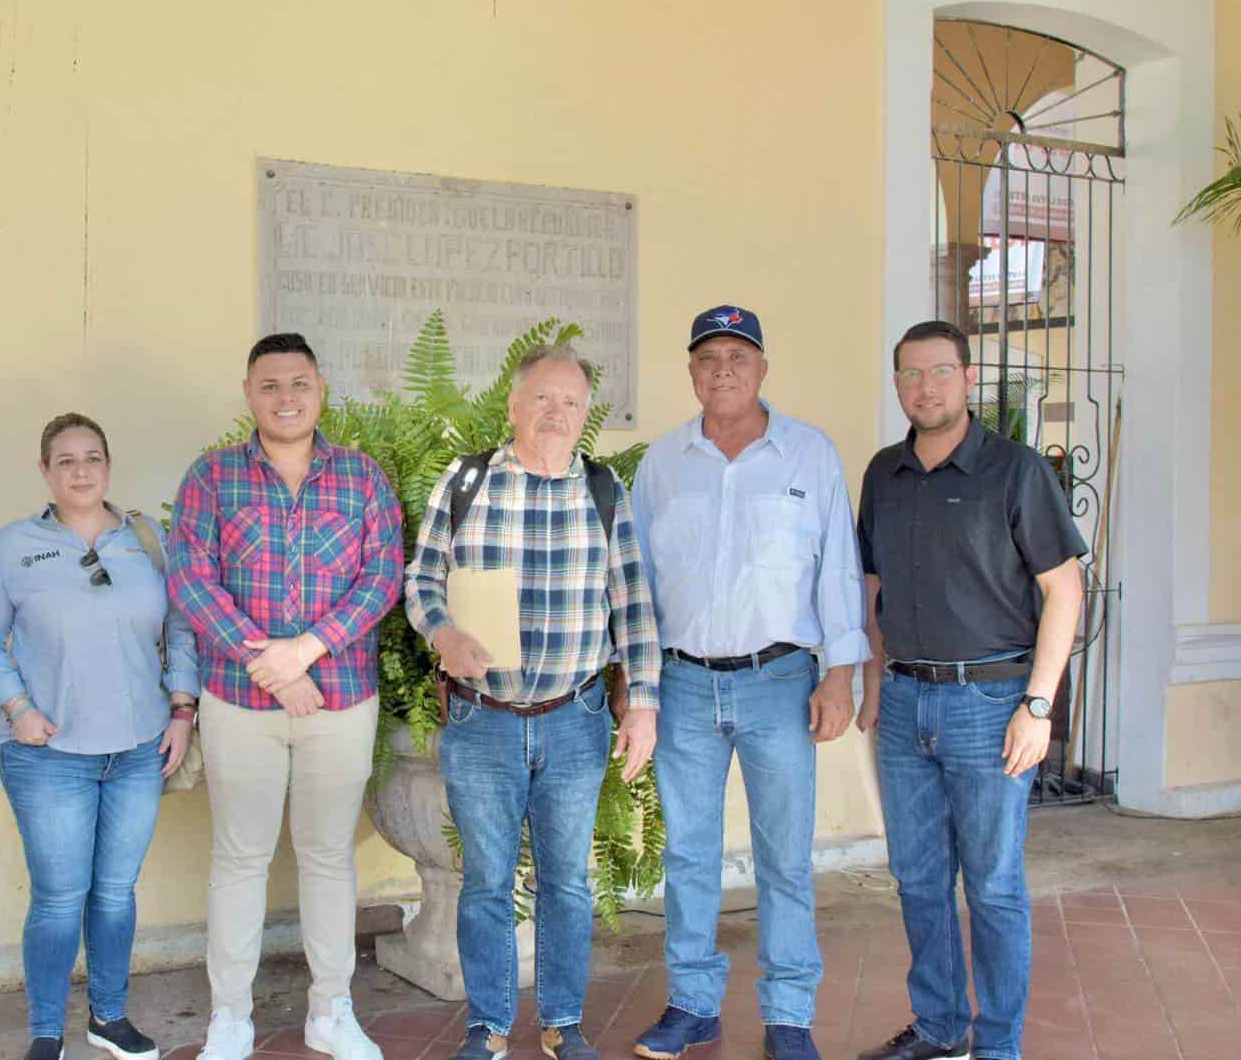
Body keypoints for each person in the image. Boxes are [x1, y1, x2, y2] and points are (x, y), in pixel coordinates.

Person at [406, 343, 662, 1060]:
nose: (557, 413)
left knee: (568, 885)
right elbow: (422, 579)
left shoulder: (606, 491)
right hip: (481, 720)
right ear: (514, 406)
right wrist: (445, 632)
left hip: (576, 720)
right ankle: (486, 1027)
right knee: (486, 883)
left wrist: (641, 703)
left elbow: (633, 605)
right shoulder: (467, 481)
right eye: (543, 398)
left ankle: (561, 1022)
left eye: (571, 402)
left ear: (586, 416)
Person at [629, 306, 869, 1060]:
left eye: (738, 355)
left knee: (784, 858)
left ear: (763, 367)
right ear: (691, 371)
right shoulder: (663, 463)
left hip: (781, 683)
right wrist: (633, 682)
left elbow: (838, 572)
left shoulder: (810, 456)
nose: (723, 369)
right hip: (685, 688)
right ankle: (693, 1003)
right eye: (709, 358)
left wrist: (842, 674)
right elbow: (634, 583)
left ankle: (790, 1014)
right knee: (690, 854)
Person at [853, 320, 1085, 1060]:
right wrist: (874, 679)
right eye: (912, 375)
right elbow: (873, 585)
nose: (926, 387)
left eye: (941, 372)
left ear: (969, 377)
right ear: (898, 385)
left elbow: (1066, 591)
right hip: (905, 703)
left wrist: (1038, 706)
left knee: (992, 888)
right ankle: (940, 1028)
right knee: (918, 881)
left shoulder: (1015, 470)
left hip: (992, 706)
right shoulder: (883, 473)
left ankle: (997, 1045)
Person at [169, 333, 404, 1060]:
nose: (286, 397)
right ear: (249, 394)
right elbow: (190, 579)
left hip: (340, 697)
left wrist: (307, 649)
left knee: (328, 855)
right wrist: (263, 660)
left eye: (298, 383)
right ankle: (230, 1015)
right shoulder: (211, 478)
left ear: (321, 389)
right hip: (240, 702)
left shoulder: (363, 479)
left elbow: (382, 577)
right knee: (240, 857)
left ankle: (331, 1011)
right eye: (270, 385)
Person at [0, 412, 202, 1060]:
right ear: (44, 471)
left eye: (92, 457)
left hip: (138, 751)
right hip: (49, 758)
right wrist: (16, 708)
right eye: (65, 460)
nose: (80, 470)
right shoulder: (11, 547)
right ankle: (47, 1032)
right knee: (58, 899)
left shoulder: (147, 541)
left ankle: (109, 1018)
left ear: (108, 466)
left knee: (115, 895)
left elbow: (182, 629)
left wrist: (182, 712)